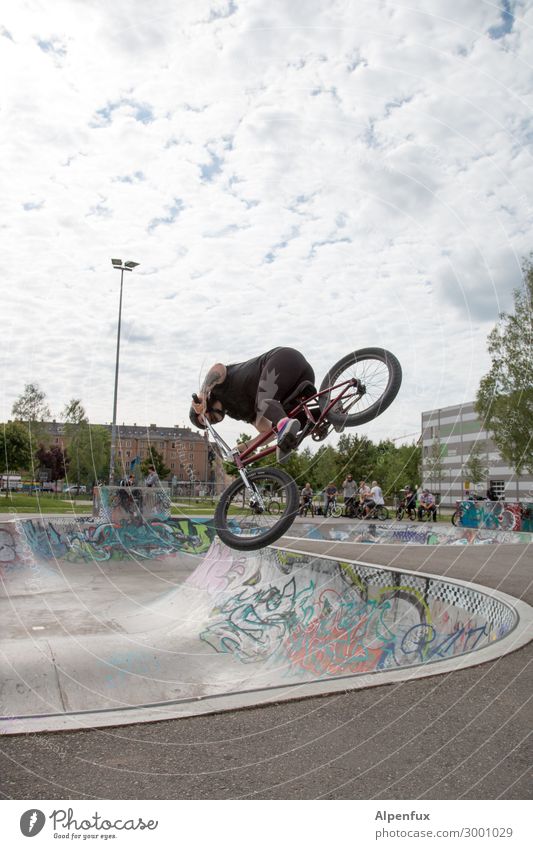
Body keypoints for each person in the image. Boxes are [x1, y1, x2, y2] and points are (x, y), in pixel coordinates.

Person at [189, 347, 315, 463]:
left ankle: (284, 424)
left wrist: (202, 394)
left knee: (263, 403)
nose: (209, 420)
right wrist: (245, 447)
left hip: (284, 359)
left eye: (203, 417)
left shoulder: (218, 387)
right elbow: (268, 432)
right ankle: (319, 418)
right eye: (207, 424)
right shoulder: (238, 412)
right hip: (303, 379)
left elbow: (218, 368)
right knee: (289, 416)